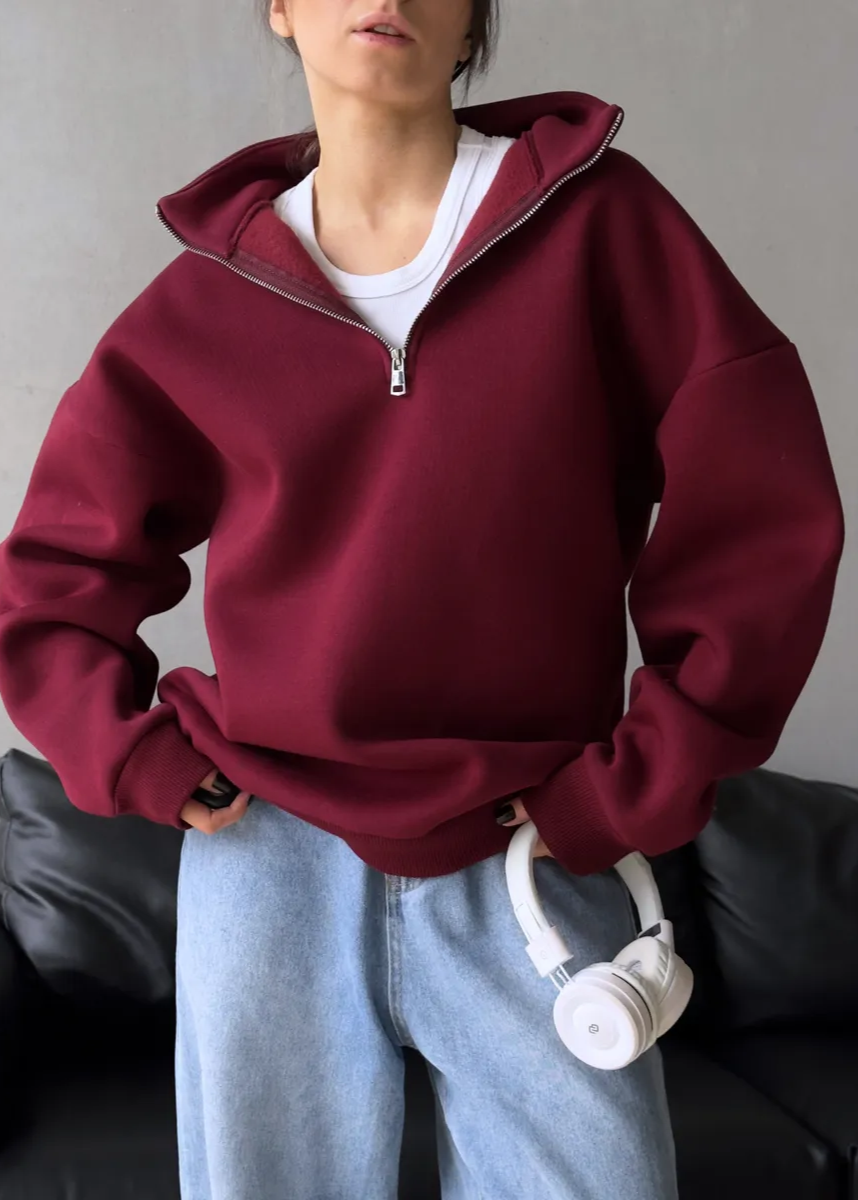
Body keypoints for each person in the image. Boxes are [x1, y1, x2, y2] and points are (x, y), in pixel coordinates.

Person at [0, 1, 844, 1197]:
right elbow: (52, 578)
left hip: (533, 850)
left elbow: (763, 515)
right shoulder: (203, 303)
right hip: (269, 856)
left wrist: (638, 777)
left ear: (472, 21)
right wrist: (128, 752)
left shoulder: (604, 228)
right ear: (281, 8)